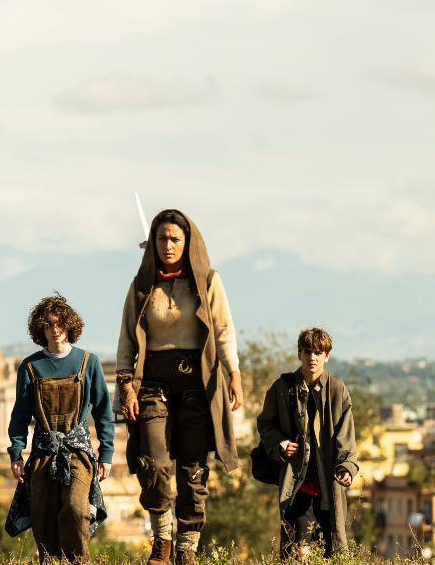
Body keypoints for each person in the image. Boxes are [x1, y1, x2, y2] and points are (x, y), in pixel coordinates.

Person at [115, 209, 244, 565]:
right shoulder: (141, 285)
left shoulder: (208, 282)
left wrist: (233, 372)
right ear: (152, 242)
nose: (168, 245)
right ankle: (162, 539)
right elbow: (127, 340)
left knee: (193, 468)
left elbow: (224, 331)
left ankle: (187, 547)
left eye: (175, 239)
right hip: (153, 379)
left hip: (197, 380)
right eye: (161, 238)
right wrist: (126, 386)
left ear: (188, 243)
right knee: (153, 460)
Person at [5, 293, 113, 562]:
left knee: (76, 509)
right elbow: (19, 416)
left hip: (78, 452)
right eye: (48, 324)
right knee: (43, 519)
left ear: (69, 325)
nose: (54, 329)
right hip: (42, 454)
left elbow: (103, 412)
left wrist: (107, 454)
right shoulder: (30, 367)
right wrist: (16, 453)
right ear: (40, 329)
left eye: (59, 323)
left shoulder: (89, 363)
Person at [257, 327, 358, 558]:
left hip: (328, 488)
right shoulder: (282, 388)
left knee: (332, 553)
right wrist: (281, 443)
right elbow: (265, 424)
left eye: (318, 352)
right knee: (300, 553)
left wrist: (346, 468)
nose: (312, 357)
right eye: (307, 352)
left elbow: (346, 436)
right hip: (297, 485)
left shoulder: (337, 390)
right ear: (299, 354)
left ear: (327, 356)